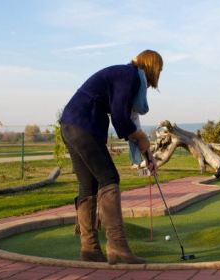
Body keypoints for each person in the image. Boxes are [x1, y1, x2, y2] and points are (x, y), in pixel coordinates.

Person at [59, 50, 162, 264]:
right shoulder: (130, 75)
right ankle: (117, 246)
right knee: (110, 179)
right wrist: (140, 136)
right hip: (84, 125)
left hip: (70, 125)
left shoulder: (123, 73)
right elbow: (120, 118)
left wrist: (146, 150)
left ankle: (89, 249)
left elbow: (127, 120)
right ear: (152, 66)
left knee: (88, 185)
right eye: (158, 70)